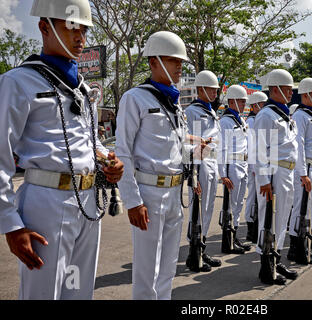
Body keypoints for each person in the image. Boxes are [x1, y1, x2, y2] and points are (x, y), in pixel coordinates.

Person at [0, 0, 124, 300]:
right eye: (71, 28)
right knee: (43, 294)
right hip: (45, 202)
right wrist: (11, 224)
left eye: (83, 29)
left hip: (87, 201)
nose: (80, 37)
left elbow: (89, 141)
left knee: (78, 291)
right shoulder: (19, 82)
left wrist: (108, 160)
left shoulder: (81, 88)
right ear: (44, 27)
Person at [115, 31, 203, 300]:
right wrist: (132, 201)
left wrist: (196, 153)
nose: (179, 66)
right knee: (146, 270)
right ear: (154, 62)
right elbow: (123, 152)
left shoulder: (174, 102)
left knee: (167, 268)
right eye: (173, 59)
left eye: (181, 61)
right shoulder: (135, 98)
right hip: (148, 194)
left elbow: (173, 146)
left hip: (174, 192)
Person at [254, 69, 298, 284]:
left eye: (291, 89)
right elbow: (260, 150)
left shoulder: (284, 114)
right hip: (274, 172)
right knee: (269, 220)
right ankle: (266, 265)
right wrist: (264, 181)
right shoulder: (266, 115)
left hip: (286, 171)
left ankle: (276, 256)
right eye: (287, 89)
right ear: (275, 89)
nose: (291, 93)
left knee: (281, 219)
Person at [184, 70, 222, 271]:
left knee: (207, 210)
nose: (215, 93)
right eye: (211, 89)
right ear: (200, 89)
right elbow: (186, 144)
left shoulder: (211, 111)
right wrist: (193, 174)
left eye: (215, 89)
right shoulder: (192, 112)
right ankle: (193, 254)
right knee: (197, 211)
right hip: (200, 164)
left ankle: (202, 249)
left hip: (211, 163)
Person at [287, 77, 312, 264]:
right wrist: (302, 174)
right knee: (299, 209)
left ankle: (305, 247)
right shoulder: (301, 116)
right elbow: (298, 146)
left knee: (308, 210)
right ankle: (296, 248)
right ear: (307, 94)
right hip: (306, 168)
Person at [218, 84, 251, 253]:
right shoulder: (225, 122)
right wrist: (223, 174)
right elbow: (222, 149)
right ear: (231, 101)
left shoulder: (240, 119)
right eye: (241, 101)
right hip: (232, 165)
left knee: (238, 204)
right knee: (230, 205)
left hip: (242, 165)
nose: (244, 104)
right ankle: (227, 241)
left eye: (244, 101)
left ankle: (234, 236)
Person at [244, 91, 268, 243]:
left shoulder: (260, 118)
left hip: (259, 164)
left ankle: (256, 226)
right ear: (254, 106)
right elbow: (252, 146)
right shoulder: (252, 121)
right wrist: (254, 168)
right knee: (252, 197)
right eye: (262, 104)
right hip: (254, 165)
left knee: (258, 198)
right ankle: (251, 229)